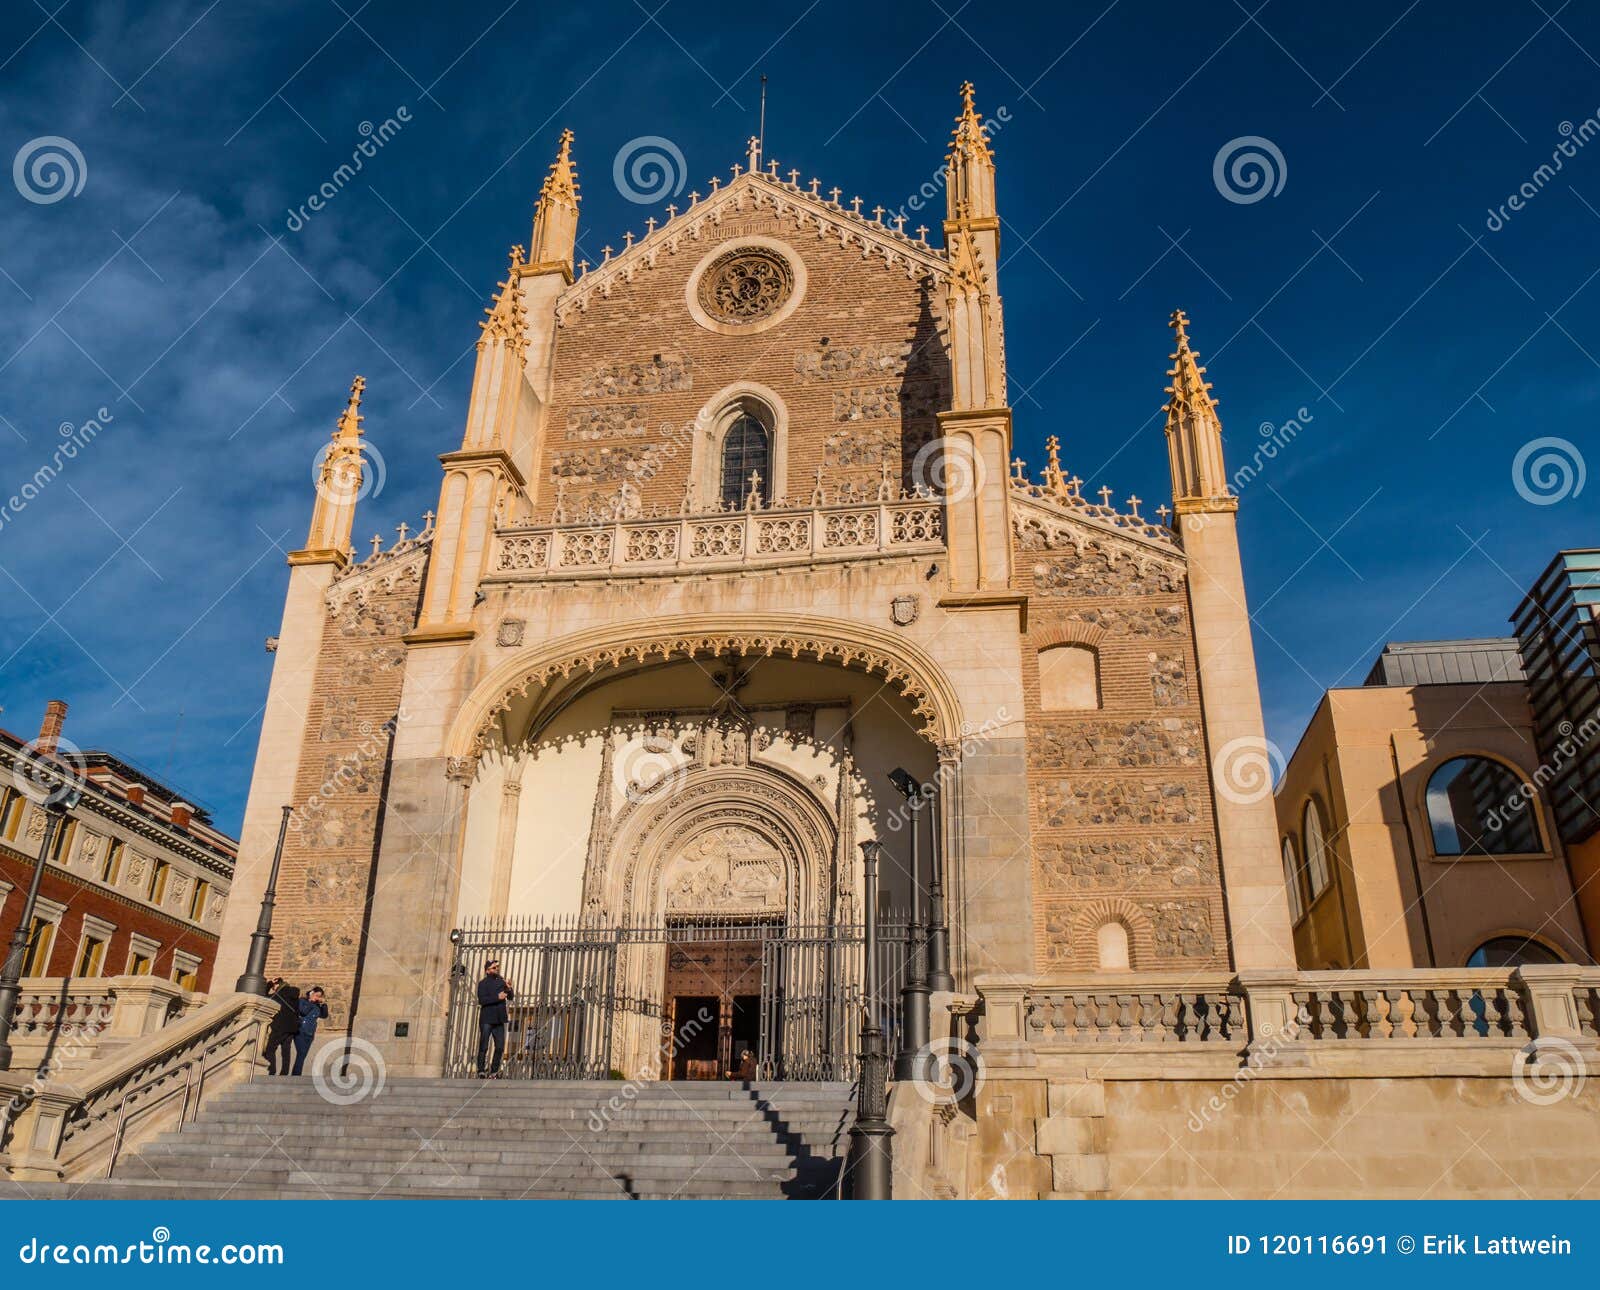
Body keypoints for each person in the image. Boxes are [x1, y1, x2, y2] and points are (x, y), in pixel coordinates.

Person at [476, 959, 514, 1078]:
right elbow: (482, 1000)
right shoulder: (482, 984)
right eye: (494, 968)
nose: (496, 969)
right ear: (487, 971)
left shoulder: (501, 981)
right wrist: (497, 997)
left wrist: (509, 988)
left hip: (499, 1019)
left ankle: (494, 1071)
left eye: (497, 967)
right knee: (484, 1046)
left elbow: (510, 997)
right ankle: (481, 1070)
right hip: (487, 1018)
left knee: (500, 1047)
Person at [264, 978, 300, 1076]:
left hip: (280, 1026)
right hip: (292, 1028)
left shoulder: (278, 995)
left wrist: (269, 984)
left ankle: (271, 1070)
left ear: (277, 985)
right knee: (286, 1050)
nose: (273, 989)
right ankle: (284, 1072)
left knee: (270, 1049)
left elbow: (264, 997)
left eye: (273, 987)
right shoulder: (294, 993)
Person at [291, 985, 329, 1075]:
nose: (317, 998)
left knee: (302, 1055)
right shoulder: (302, 1001)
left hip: (310, 1033)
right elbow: (303, 1011)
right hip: (300, 1031)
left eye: (319, 996)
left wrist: (323, 1004)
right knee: (301, 1053)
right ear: (312, 993)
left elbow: (324, 1015)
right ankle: (296, 1075)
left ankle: (296, 1074)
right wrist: (310, 1001)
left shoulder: (317, 1005)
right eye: (316, 995)